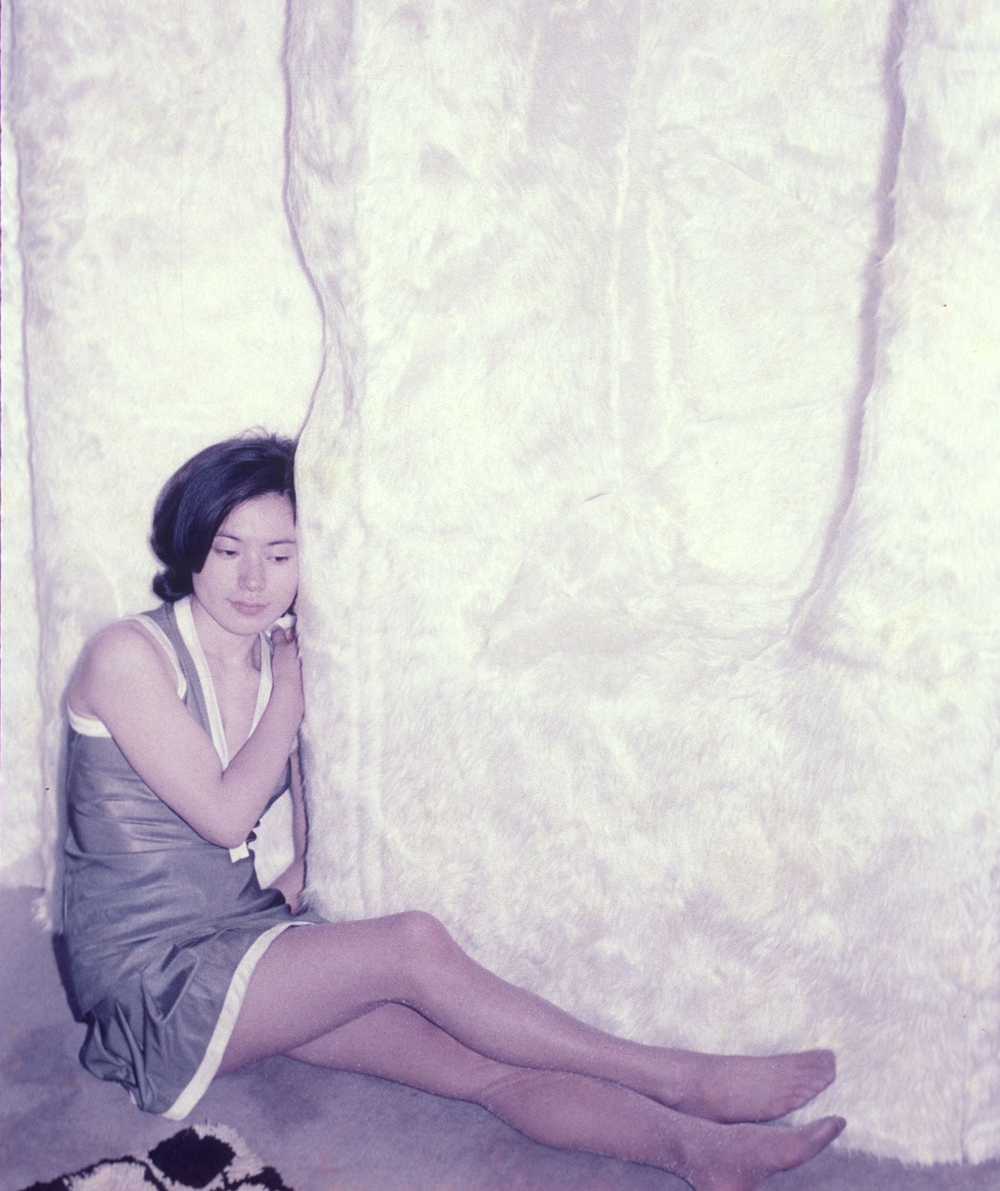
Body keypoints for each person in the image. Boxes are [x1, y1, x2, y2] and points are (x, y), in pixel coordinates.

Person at [61, 433, 845, 1190]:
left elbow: (308, 823)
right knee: (412, 946)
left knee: (486, 1069)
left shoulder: (280, 657)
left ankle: (704, 1153)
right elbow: (227, 817)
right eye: (229, 549)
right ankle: (683, 1078)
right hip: (149, 980)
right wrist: (294, 693)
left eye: (280, 554)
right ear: (191, 542)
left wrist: (300, 871)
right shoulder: (128, 655)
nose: (253, 579)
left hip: (240, 940)